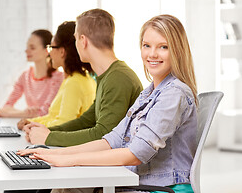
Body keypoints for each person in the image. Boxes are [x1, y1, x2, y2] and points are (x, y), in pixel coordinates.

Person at [19, 14, 198, 193]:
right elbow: (112, 139)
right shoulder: (148, 93)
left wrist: (70, 160)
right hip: (139, 182)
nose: (152, 54)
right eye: (147, 46)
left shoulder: (174, 93)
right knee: (65, 187)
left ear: (177, 50)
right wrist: (55, 153)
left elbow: (135, 154)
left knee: (66, 188)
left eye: (163, 47)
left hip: (160, 188)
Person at [23, 9, 143, 146]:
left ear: (83, 40)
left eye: (75, 39)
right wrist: (46, 131)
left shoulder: (118, 78)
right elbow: (87, 121)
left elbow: (104, 134)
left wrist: (49, 138)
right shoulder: (108, 76)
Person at [17, 21, 96, 130]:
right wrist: (30, 121)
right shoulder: (75, 78)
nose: (49, 53)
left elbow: (64, 123)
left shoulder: (74, 83)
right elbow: (53, 117)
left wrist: (33, 125)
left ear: (62, 52)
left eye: (51, 47)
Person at [0, 29, 64, 118]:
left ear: (47, 50)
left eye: (32, 48)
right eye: (27, 47)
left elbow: (45, 113)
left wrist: (22, 114)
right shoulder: (25, 76)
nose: (26, 51)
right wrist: (26, 113)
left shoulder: (58, 78)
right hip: (30, 126)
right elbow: (4, 108)